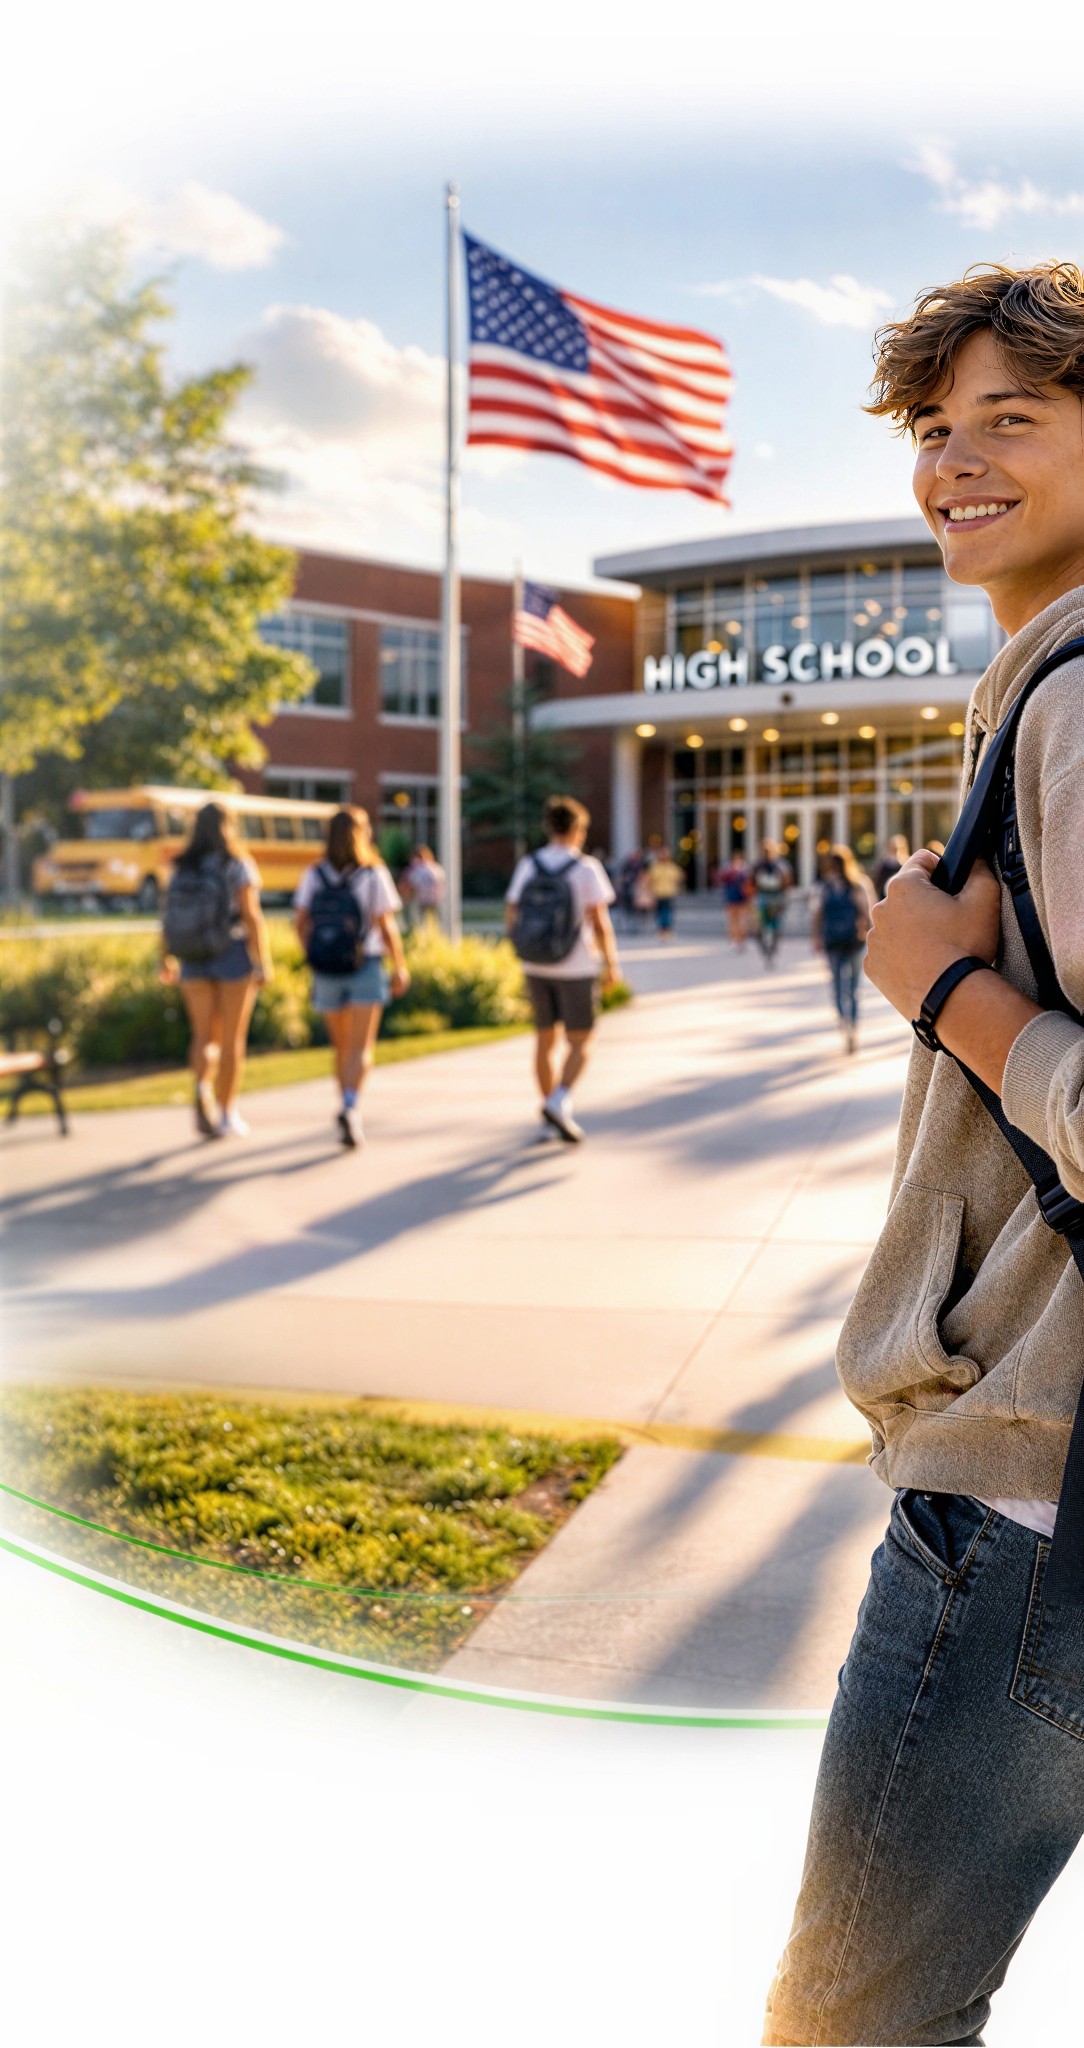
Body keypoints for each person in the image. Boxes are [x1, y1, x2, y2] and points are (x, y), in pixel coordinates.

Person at [764, 261, 1084, 2047]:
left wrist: (941, 986)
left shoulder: (1072, 704)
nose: (952, 462)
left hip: (1028, 1503)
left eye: (1008, 420)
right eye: (935, 427)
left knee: (856, 2024)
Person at [505, 794, 621, 1144]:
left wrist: (524, 947)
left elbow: (512, 912)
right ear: (577, 829)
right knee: (582, 1040)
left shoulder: (529, 864)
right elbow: (600, 922)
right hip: (576, 965)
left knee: (545, 1040)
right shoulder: (585, 868)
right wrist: (611, 964)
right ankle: (558, 1100)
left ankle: (549, 1113)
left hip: (536, 964)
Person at [294, 807, 409, 1148]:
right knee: (361, 1047)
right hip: (366, 963)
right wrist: (400, 965)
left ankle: (345, 1100)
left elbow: (300, 922)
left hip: (327, 968)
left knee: (341, 1046)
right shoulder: (373, 874)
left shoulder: (314, 874)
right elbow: (386, 926)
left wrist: (313, 953)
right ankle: (350, 1105)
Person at [160, 801, 271, 1139]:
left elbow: (168, 917)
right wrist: (262, 962)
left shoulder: (183, 865)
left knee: (204, 1036)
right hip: (232, 953)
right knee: (232, 1039)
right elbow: (251, 916)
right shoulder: (236, 863)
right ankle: (226, 1113)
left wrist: (165, 958)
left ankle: (201, 1087)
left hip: (192, 957)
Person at [810, 846, 873, 1052]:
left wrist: (816, 937)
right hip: (854, 941)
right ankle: (852, 1025)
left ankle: (844, 1022)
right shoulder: (858, 884)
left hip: (832, 941)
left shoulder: (824, 887)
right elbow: (867, 913)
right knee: (854, 988)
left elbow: (817, 914)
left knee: (837, 985)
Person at [751, 839, 793, 966]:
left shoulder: (781, 865)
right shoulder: (758, 865)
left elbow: (787, 882)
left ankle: (772, 950)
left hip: (776, 898)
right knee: (758, 927)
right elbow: (751, 881)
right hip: (762, 898)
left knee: (776, 927)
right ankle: (765, 949)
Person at [401, 844, 445, 929]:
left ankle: (412, 928)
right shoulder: (437, 868)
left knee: (420, 921)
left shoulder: (415, 869)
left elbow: (409, 883)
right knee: (437, 919)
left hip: (421, 898)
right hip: (437, 898)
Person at [647, 844, 684, 939]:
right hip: (658, 893)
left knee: (668, 912)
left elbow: (679, 877)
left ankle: (667, 929)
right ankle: (661, 929)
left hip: (669, 892)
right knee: (659, 912)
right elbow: (650, 880)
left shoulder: (672, 867)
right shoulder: (655, 867)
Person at [719, 851, 753, 949]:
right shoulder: (730, 871)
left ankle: (740, 939)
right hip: (733, 899)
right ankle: (735, 939)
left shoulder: (744, 872)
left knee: (741, 920)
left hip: (741, 899)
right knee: (734, 920)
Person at [872, 832, 910, 899]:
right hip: (885, 895)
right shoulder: (884, 863)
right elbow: (877, 880)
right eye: (894, 849)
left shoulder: (907, 862)